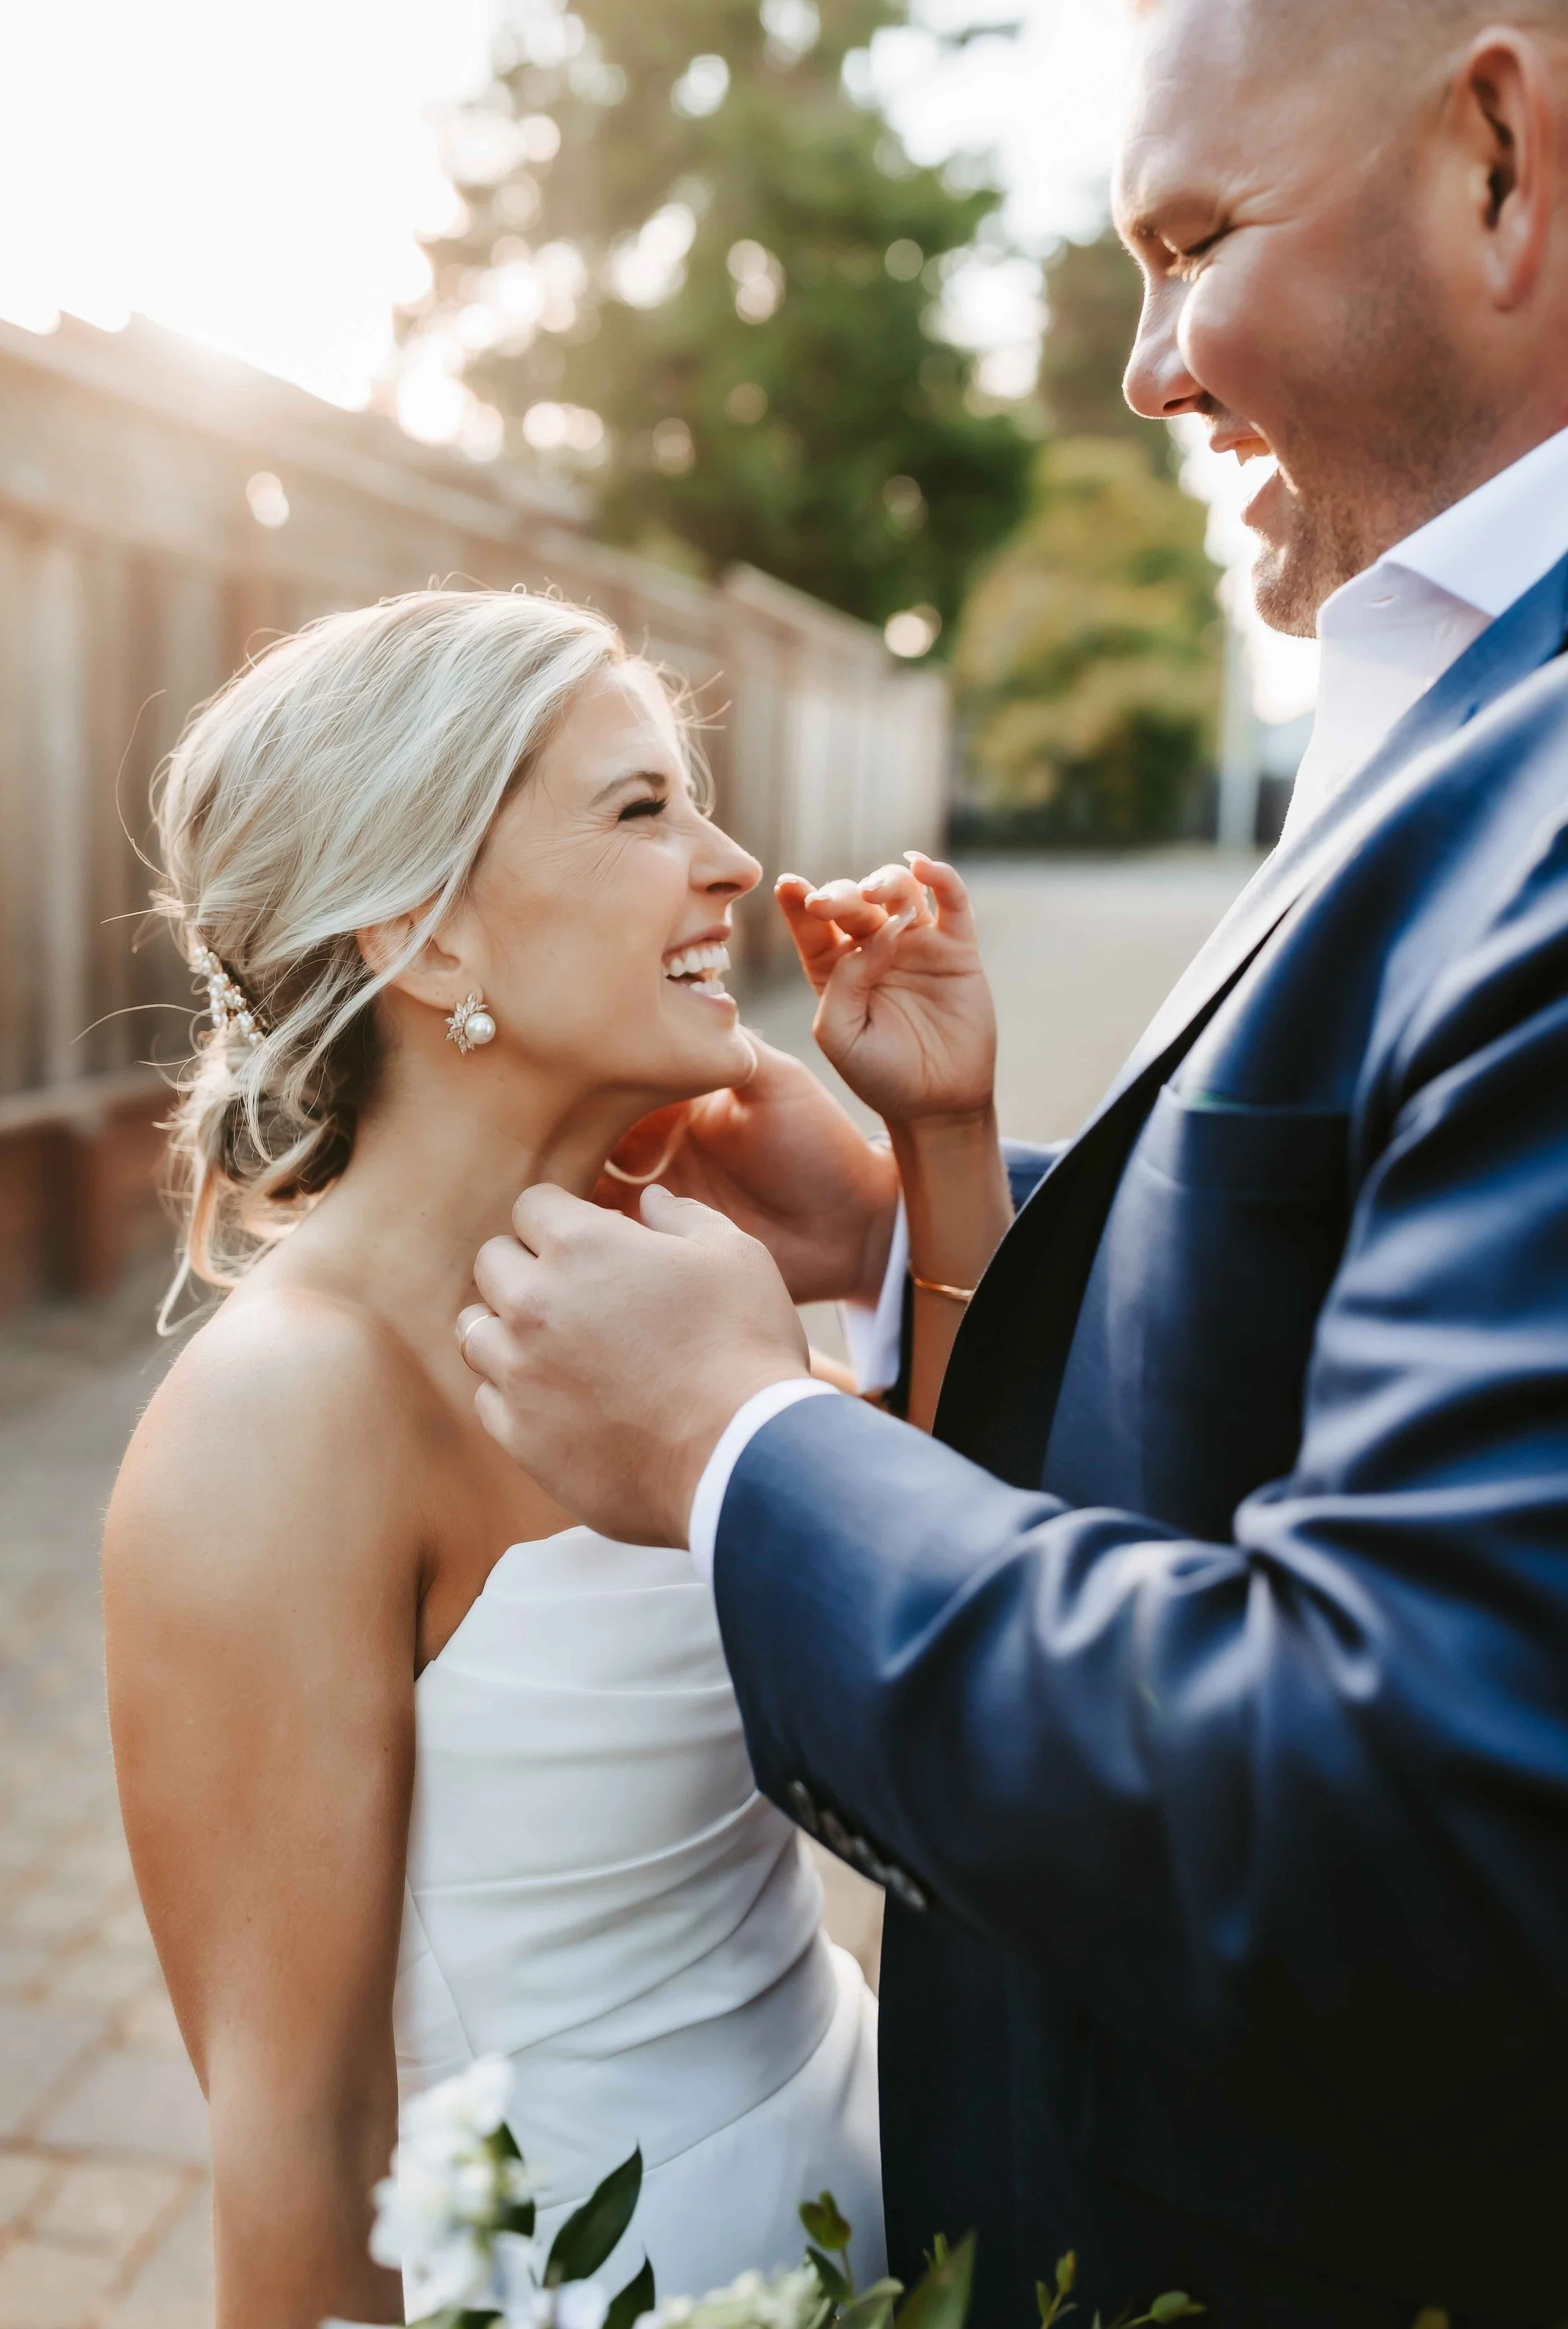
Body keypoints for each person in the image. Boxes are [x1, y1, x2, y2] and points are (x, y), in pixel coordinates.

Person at [453, 3, 1568, 2323]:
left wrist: (737, 1445)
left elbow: (1394, 1820)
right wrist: (923, 1199)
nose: (1150, 370)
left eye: (1188, 243)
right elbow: (1371, 1255)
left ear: (1494, 153)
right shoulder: (1464, 686)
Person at [102, 592, 883, 2329]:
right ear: (432, 940)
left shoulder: (679, 1289)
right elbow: (300, 2149)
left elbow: (952, 1624)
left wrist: (938, 1172)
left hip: (863, 2192)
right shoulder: (282, 1418)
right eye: (641, 810)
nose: (734, 861)